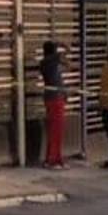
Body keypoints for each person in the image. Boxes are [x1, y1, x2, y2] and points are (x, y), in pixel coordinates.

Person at [39, 40, 67, 169]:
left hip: (56, 98)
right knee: (55, 130)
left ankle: (57, 158)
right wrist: (63, 45)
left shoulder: (48, 61)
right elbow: (67, 59)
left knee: (57, 130)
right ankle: (52, 160)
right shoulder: (50, 60)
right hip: (54, 99)